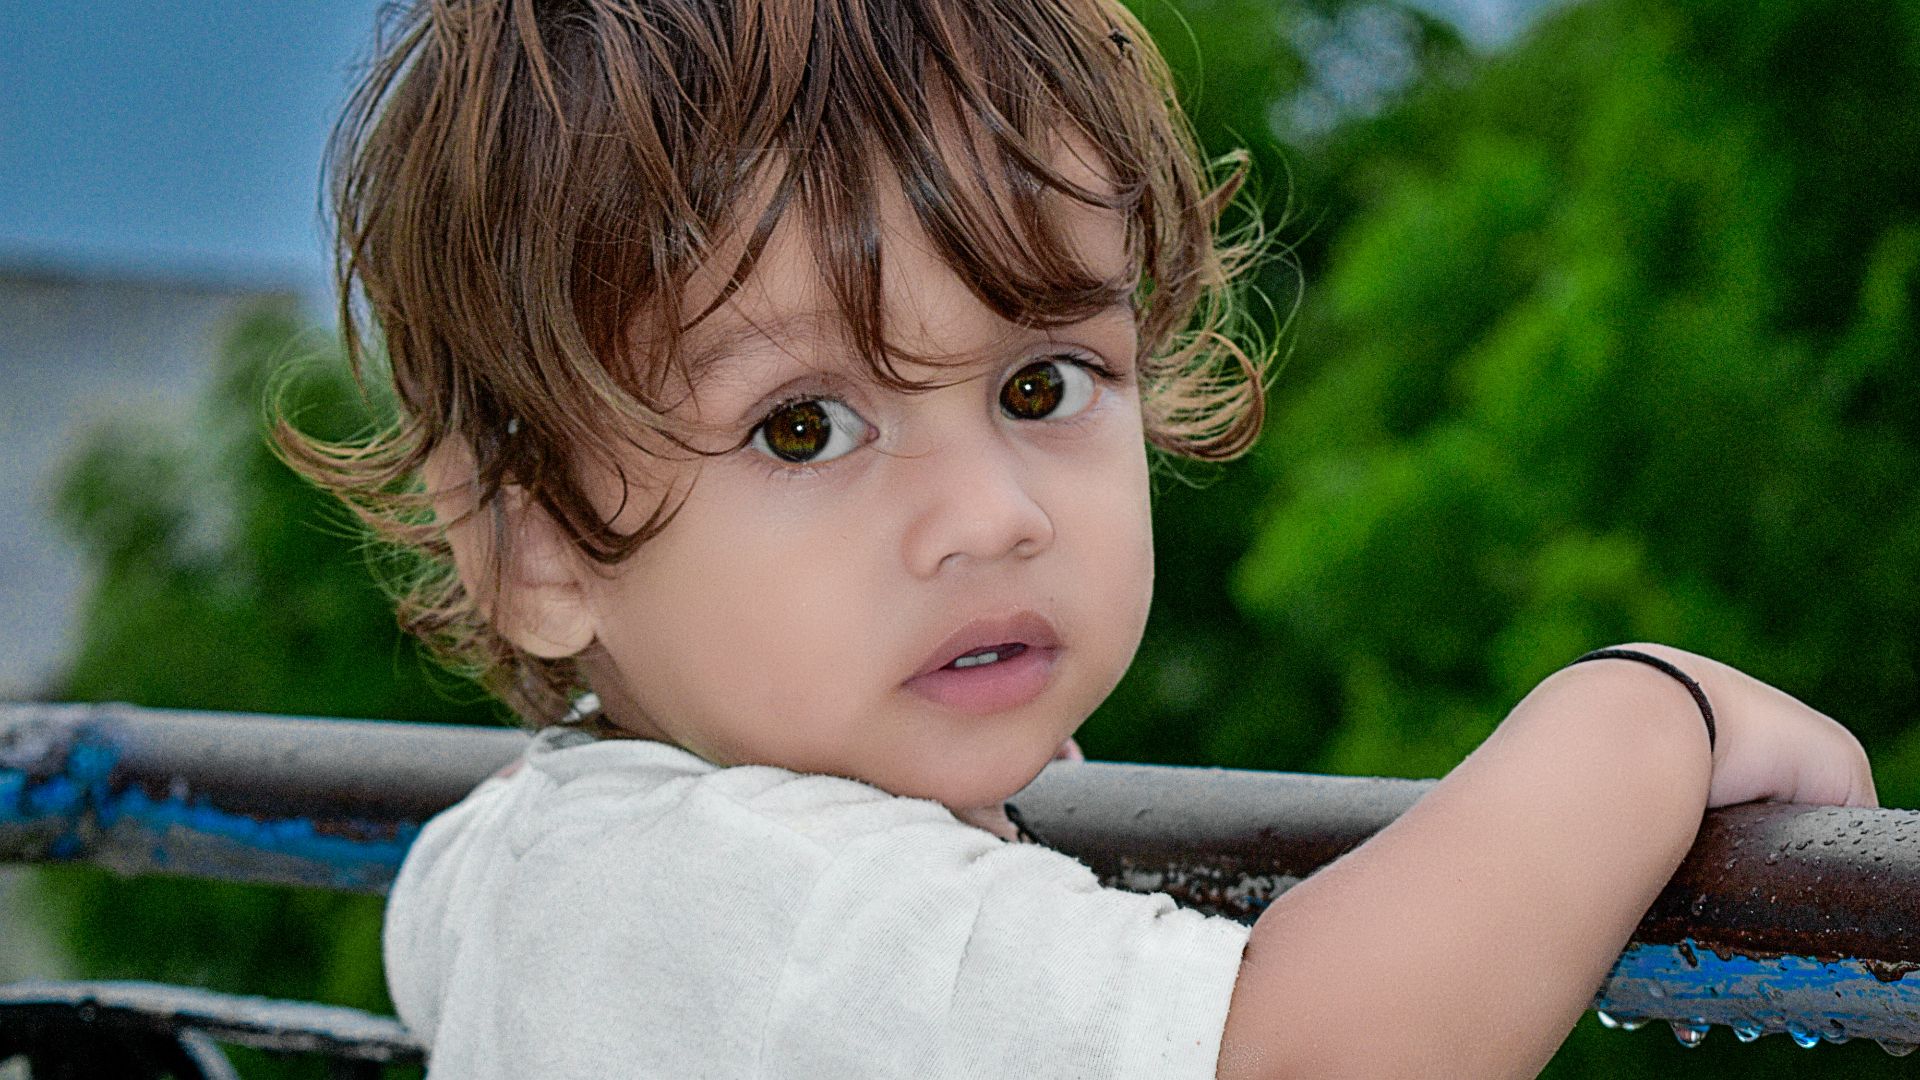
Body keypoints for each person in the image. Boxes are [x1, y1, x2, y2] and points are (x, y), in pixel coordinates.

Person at [276, 0, 1879, 1075]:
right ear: (534, 545)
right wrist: (1638, 715)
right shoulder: (769, 901)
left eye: (1043, 383)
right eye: (802, 428)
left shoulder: (514, 856)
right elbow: (1322, 1058)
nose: (992, 515)